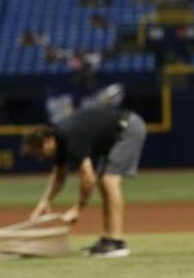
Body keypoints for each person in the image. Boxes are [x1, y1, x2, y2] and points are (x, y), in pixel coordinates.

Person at [21, 104, 146, 258]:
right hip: (115, 134)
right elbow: (59, 176)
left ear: (48, 141)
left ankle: (117, 242)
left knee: (109, 180)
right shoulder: (60, 140)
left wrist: (77, 209)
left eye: (39, 152)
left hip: (127, 128)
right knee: (104, 181)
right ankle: (108, 239)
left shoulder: (68, 136)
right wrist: (45, 201)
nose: (41, 158)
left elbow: (88, 178)